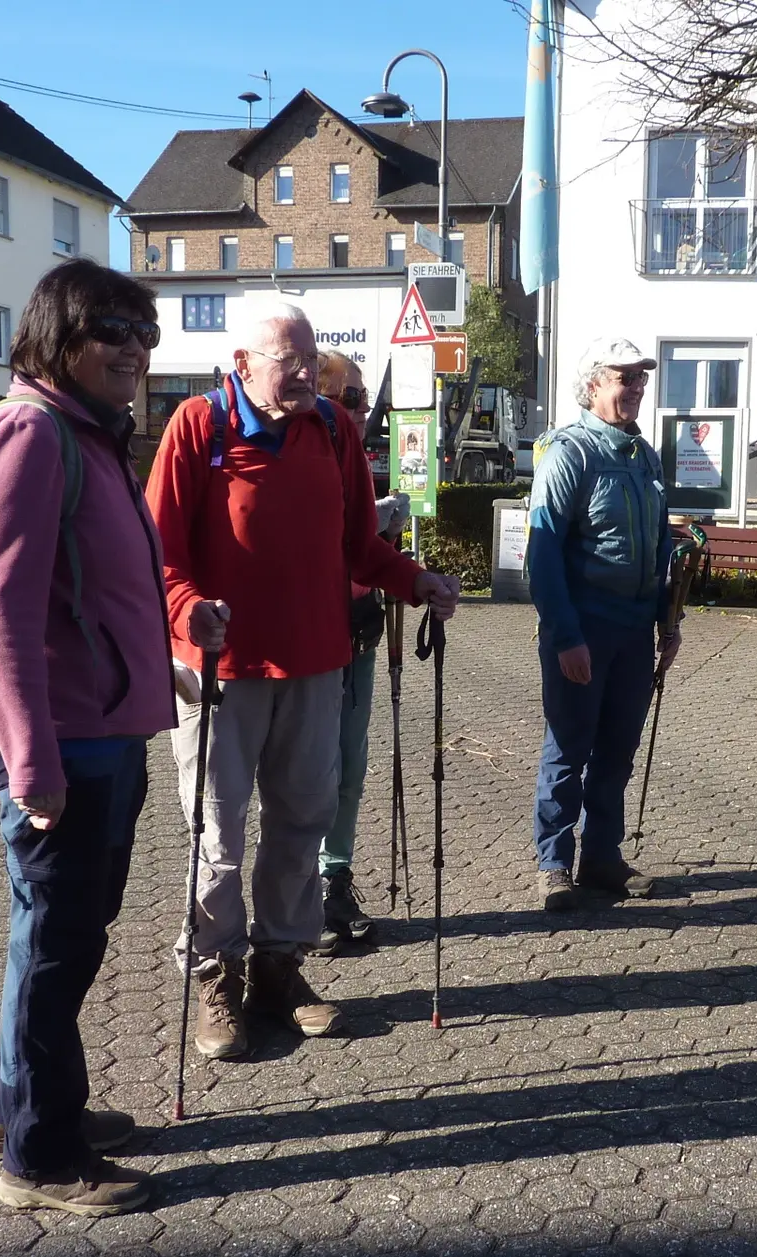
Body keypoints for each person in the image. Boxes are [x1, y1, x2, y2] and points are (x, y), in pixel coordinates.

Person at [0, 258, 225, 1216]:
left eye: (146, 334)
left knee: (59, 939)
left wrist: (170, 670)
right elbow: (2, 617)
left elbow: (99, 599)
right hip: (60, 745)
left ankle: (19, 1108)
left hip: (103, 730)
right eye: (114, 329)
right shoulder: (29, 437)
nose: (136, 349)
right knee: (58, 945)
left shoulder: (92, 438)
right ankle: (40, 1159)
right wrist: (32, 763)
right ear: (57, 333)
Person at [147, 307, 459, 1061]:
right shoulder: (197, 426)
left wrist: (415, 581)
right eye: (288, 359)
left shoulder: (333, 429)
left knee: (301, 825)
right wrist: (189, 609)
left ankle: (278, 969)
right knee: (216, 833)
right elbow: (153, 554)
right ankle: (216, 977)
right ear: (243, 362)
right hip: (221, 670)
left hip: (316, 664)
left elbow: (358, 548)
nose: (303, 372)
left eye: (311, 356)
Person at [525, 337, 678, 912]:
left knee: (617, 748)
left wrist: (670, 619)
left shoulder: (644, 455)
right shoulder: (570, 453)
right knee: (569, 747)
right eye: (625, 377)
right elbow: (541, 557)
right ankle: (554, 865)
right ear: (593, 384)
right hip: (584, 627)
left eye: (641, 378)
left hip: (636, 629)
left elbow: (661, 543)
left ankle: (602, 858)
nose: (636, 387)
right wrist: (566, 636)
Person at [308, 351, 406, 952]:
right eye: (353, 398)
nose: (364, 409)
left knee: (350, 767)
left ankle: (334, 877)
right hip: (308, 644)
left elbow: (361, 549)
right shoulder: (295, 456)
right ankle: (301, 894)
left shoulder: (353, 456)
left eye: (364, 399)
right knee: (309, 774)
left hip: (359, 631)